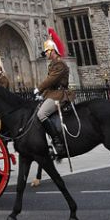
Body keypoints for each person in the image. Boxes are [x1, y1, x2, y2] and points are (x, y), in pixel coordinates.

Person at [34, 29, 75, 159]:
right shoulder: (53, 64)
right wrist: (42, 94)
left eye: (47, 51)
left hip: (59, 94)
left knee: (42, 114)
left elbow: (51, 80)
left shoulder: (59, 64)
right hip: (52, 93)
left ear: (53, 51)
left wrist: (38, 89)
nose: (46, 53)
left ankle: (57, 142)